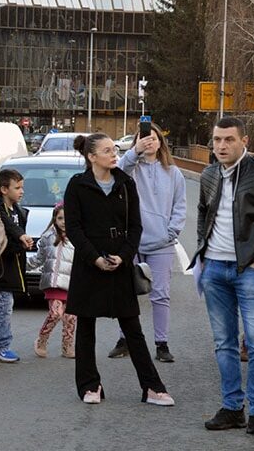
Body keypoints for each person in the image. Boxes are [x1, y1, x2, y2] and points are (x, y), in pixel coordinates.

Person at [196, 117, 254, 439]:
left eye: (228, 140)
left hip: (249, 272)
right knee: (224, 344)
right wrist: (203, 253)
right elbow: (202, 212)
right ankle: (232, 408)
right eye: (217, 140)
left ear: (244, 141)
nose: (221, 146)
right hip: (215, 270)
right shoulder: (209, 174)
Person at [65, 133, 175, 408]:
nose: (114, 154)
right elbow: (74, 229)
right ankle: (90, 386)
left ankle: (152, 387)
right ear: (91, 157)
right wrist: (95, 258)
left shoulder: (126, 183)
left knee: (132, 329)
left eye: (114, 149)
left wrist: (123, 256)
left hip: (120, 263)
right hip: (89, 264)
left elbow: (136, 226)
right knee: (86, 328)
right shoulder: (77, 185)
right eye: (106, 151)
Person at [110, 123, 186, 363]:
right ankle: (125, 340)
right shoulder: (131, 168)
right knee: (126, 292)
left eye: (154, 138)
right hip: (130, 242)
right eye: (145, 139)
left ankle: (161, 343)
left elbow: (180, 206)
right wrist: (135, 152)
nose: (150, 142)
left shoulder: (173, 173)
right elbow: (117, 173)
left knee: (160, 294)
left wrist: (171, 232)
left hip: (161, 242)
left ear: (161, 142)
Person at [0, 168, 31, 362]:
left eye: (22, 187)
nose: (21, 191)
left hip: (13, 267)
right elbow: (4, 232)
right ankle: (1, 345)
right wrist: (20, 240)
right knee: (3, 306)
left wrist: (23, 243)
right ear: (4, 189)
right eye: (17, 187)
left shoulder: (18, 211)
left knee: (1, 306)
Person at [31, 202, 76, 359]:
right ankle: (42, 339)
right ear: (55, 219)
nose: (64, 221)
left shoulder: (77, 238)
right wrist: (22, 264)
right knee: (56, 313)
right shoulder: (47, 237)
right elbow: (39, 258)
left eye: (67, 218)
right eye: (60, 218)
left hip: (71, 283)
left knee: (70, 317)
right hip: (54, 282)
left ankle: (67, 346)